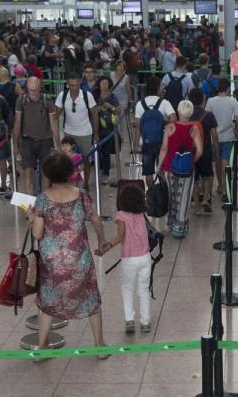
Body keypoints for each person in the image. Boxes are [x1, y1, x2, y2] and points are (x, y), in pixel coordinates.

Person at [29, 152, 109, 356]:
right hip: (79, 260)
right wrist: (102, 242)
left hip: (52, 263)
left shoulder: (42, 200)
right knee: (91, 300)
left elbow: (38, 234)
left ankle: (42, 348)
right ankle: (99, 346)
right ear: (70, 172)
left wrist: (31, 218)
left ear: (47, 175)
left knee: (47, 304)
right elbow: (96, 221)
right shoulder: (81, 195)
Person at [95, 185, 152, 334]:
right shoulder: (142, 214)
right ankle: (145, 322)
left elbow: (121, 236)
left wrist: (107, 247)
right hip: (145, 257)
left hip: (129, 259)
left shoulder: (121, 215)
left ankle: (130, 320)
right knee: (144, 289)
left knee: (127, 288)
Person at [158, 99, 204, 238]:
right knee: (184, 196)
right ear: (190, 113)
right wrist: (192, 160)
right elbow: (200, 151)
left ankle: (171, 223)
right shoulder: (194, 129)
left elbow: (164, 149)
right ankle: (180, 228)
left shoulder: (170, 128)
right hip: (187, 169)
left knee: (171, 195)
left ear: (178, 111)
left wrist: (158, 166)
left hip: (169, 167)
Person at [14, 76, 58, 197]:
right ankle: (30, 205)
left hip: (45, 141)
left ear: (40, 88)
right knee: (28, 173)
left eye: (35, 90)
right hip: (27, 140)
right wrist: (15, 145)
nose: (33, 93)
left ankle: (44, 201)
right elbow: (17, 123)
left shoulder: (47, 100)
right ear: (27, 88)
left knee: (46, 173)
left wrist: (58, 146)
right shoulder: (21, 100)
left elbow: (54, 124)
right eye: (30, 90)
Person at [54, 73, 99, 187]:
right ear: (68, 84)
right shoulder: (62, 96)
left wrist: (96, 132)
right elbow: (55, 116)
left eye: (76, 85)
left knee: (85, 160)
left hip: (85, 132)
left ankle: (86, 183)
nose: (74, 88)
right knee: (68, 160)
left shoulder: (87, 96)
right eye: (72, 85)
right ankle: (69, 183)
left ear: (80, 84)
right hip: (69, 132)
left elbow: (94, 114)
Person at [134, 76, 177, 187]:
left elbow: (138, 127)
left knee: (148, 172)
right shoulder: (164, 103)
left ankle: (151, 194)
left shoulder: (140, 104)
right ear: (158, 88)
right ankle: (163, 193)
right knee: (162, 169)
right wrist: (164, 122)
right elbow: (174, 120)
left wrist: (135, 146)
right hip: (161, 142)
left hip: (146, 143)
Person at [205, 78, 238, 200]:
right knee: (226, 162)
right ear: (227, 88)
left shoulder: (210, 101)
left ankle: (220, 185)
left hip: (213, 137)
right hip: (228, 136)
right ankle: (226, 190)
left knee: (217, 161)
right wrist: (237, 131)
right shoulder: (232, 101)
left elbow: (207, 117)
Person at [188, 87, 218, 215]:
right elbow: (214, 136)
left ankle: (197, 206)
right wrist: (217, 151)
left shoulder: (186, 115)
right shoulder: (208, 115)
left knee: (194, 179)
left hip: (191, 152)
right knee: (207, 176)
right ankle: (206, 199)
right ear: (203, 100)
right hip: (206, 151)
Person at [93, 75, 120, 185]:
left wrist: (111, 107)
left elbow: (119, 111)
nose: (104, 85)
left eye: (106, 83)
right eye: (102, 83)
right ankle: (99, 169)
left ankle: (106, 173)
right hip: (96, 128)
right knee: (97, 151)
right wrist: (97, 109)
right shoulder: (95, 96)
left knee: (106, 152)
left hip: (108, 130)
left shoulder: (112, 97)